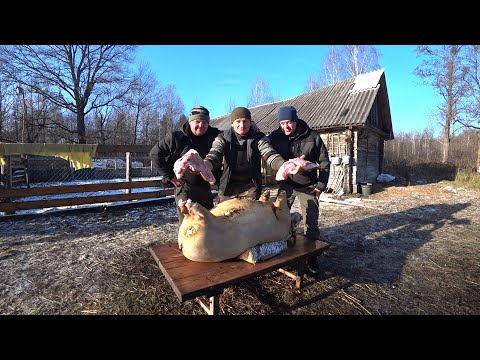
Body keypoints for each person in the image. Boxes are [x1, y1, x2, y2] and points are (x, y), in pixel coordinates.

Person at [268, 105, 331, 275]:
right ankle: (282, 251)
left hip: (308, 186)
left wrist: (320, 186)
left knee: (311, 223)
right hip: (286, 185)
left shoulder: (313, 137)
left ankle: (312, 258)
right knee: (279, 218)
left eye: (288, 122)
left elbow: (324, 163)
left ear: (295, 121)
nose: (285, 126)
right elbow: (262, 146)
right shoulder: (275, 137)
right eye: (282, 123)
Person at [149, 106, 221, 223]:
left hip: (204, 185)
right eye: (197, 121)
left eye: (204, 122)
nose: (201, 125)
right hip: (184, 185)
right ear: (190, 121)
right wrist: (170, 176)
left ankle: (207, 241)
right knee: (187, 221)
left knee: (208, 220)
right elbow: (155, 154)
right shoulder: (176, 138)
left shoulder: (214, 136)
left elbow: (231, 136)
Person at [204, 106, 285, 203]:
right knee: (224, 216)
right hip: (227, 188)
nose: (242, 125)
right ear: (232, 123)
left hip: (251, 188)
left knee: (250, 216)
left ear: (250, 122)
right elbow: (215, 154)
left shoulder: (259, 138)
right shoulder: (223, 138)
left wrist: (283, 164)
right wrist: (206, 165)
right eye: (238, 121)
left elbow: (269, 153)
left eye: (245, 121)